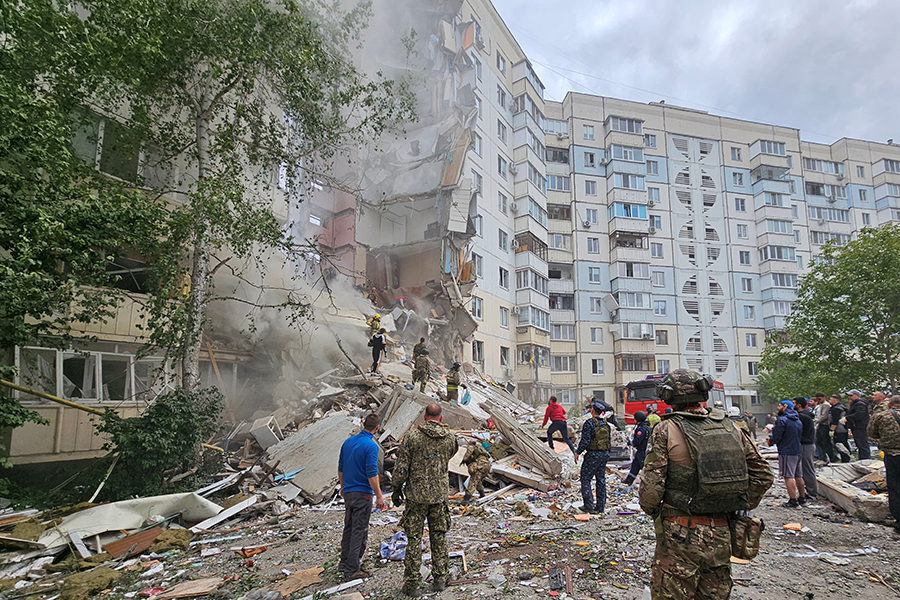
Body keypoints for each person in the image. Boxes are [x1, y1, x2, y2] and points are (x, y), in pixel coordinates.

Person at [639, 370, 774, 599]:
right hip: (721, 531)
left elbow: (651, 488)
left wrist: (654, 511)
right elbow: (763, 475)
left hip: (679, 530)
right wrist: (734, 503)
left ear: (668, 396)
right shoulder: (731, 427)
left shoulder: (665, 429)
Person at [392, 404, 458, 597]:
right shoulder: (450, 438)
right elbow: (449, 456)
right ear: (441, 418)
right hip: (439, 496)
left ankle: (412, 584)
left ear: (424, 417)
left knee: (413, 538)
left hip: (416, 496)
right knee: (438, 537)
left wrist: (396, 489)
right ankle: (439, 579)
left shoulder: (412, 437)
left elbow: (402, 468)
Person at [337, 414, 385, 581]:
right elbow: (372, 473)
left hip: (349, 491)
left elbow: (341, 467)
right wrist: (379, 495)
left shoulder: (348, 442)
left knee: (349, 527)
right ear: (377, 428)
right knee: (359, 530)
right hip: (362, 494)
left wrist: (343, 487)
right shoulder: (371, 446)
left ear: (363, 424)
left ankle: (344, 562)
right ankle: (352, 569)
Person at [867, 395, 900, 533]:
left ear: (890, 405)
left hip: (892, 454)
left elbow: (871, 433)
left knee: (894, 486)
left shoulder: (881, 416)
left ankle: (898, 520)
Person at [574, 401, 611, 514]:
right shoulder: (606, 424)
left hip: (593, 454)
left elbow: (585, 440)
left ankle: (588, 505)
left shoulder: (589, 423)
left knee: (585, 478)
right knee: (601, 479)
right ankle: (600, 507)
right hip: (604, 454)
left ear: (593, 411)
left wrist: (578, 452)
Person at [770, 400, 805, 507]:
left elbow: (777, 436)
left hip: (786, 451)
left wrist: (771, 441)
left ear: (785, 407)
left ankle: (793, 500)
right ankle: (802, 498)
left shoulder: (782, 420)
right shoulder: (798, 420)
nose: (777, 407)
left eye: (779, 406)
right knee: (798, 475)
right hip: (797, 450)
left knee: (788, 476)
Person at [795, 397, 818, 501]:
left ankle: (812, 493)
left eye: (794, 403)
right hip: (806, 444)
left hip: (806, 444)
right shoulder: (806, 415)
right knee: (805, 468)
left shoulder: (802, 417)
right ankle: (809, 491)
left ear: (799, 405)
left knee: (807, 468)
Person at [542, 396, 577, 460]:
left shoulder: (549, 407)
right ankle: (574, 451)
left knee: (549, 433)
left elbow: (546, 417)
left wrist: (543, 424)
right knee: (566, 438)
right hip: (563, 422)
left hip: (556, 422)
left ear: (550, 400)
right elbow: (564, 412)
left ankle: (551, 447)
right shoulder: (559, 406)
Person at [623, 410, 649, 486]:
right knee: (635, 465)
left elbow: (638, 440)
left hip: (642, 451)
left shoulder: (641, 429)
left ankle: (647, 483)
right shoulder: (646, 427)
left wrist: (630, 443)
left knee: (643, 467)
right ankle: (628, 480)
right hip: (642, 450)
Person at [846, 389, 871, 460]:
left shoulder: (860, 404)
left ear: (857, 395)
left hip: (860, 426)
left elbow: (859, 414)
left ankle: (865, 459)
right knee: (859, 444)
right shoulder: (855, 403)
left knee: (862, 444)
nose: (849, 397)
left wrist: (848, 418)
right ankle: (862, 458)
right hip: (856, 426)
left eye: (851, 395)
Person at [829, 394, 851, 462]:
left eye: (829, 400)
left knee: (839, 444)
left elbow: (835, 420)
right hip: (844, 428)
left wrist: (832, 430)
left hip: (839, 429)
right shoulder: (843, 407)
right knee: (844, 443)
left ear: (834, 401)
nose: (828, 401)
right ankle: (846, 457)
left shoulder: (836, 408)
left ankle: (845, 458)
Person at [814, 392, 835, 463]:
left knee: (825, 442)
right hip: (820, 425)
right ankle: (821, 457)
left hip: (824, 425)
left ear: (823, 397)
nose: (818, 400)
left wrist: (817, 421)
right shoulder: (820, 405)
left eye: (819, 399)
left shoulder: (826, 405)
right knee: (818, 441)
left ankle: (829, 458)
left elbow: (824, 416)